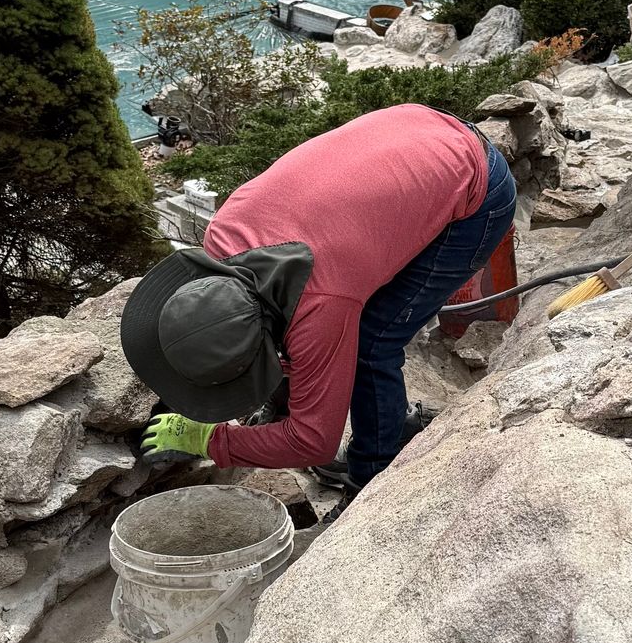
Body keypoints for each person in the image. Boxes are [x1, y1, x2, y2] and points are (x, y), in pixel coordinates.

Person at [121, 103, 517, 492]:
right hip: (412, 129)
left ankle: (370, 476)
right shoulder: (221, 238)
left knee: (372, 344)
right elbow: (285, 333)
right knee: (341, 327)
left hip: (478, 187)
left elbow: (313, 441)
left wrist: (209, 440)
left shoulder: (322, 304)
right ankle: (388, 423)